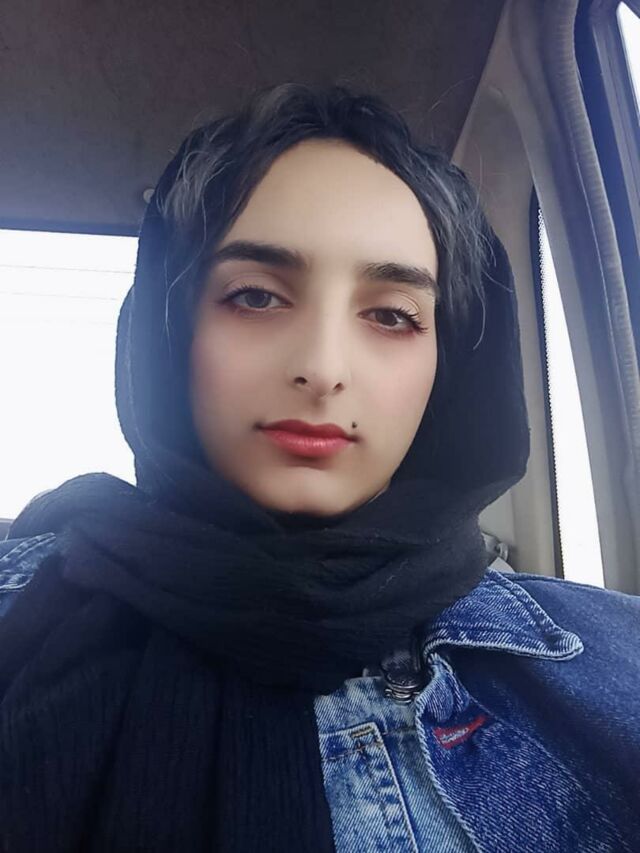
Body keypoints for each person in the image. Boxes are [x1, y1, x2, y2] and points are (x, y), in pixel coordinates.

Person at [0, 82, 638, 853]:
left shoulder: (614, 661)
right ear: (168, 333)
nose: (323, 367)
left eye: (391, 314)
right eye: (256, 297)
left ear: (450, 363)